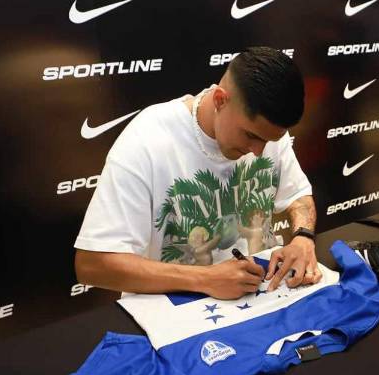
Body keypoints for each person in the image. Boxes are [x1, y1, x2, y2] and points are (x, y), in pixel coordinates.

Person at [73, 47, 321, 298]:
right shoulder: (147, 139)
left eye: (269, 141)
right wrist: (206, 279)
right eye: (251, 136)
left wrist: (303, 237)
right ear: (220, 100)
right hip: (173, 310)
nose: (258, 151)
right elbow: (93, 264)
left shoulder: (265, 129)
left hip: (259, 298)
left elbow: (299, 196)